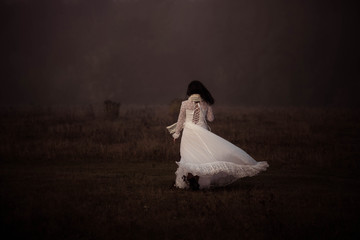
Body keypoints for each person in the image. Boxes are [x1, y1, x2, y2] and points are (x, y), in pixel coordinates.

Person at [171, 80, 269, 189]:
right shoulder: (205, 103)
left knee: (188, 157)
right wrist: (208, 109)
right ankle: (194, 180)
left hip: (189, 133)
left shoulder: (184, 103)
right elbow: (211, 119)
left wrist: (176, 134)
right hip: (202, 132)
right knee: (201, 158)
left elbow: (180, 120)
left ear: (189, 91)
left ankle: (190, 179)